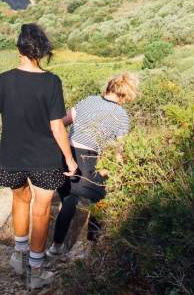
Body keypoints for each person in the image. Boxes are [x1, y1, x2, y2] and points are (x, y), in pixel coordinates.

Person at [0, 24, 75, 289]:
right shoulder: (52, 81)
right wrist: (70, 160)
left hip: (12, 155)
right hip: (45, 157)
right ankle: (35, 272)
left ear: (19, 48)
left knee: (20, 199)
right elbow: (56, 126)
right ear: (42, 50)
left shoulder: (5, 79)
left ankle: (19, 255)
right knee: (41, 209)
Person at [47, 73, 138, 258]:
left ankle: (56, 246)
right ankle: (92, 248)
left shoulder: (88, 100)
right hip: (90, 159)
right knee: (101, 200)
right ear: (125, 95)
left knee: (69, 201)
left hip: (66, 155)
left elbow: (62, 122)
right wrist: (119, 172)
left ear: (109, 87)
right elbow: (118, 152)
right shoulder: (121, 115)